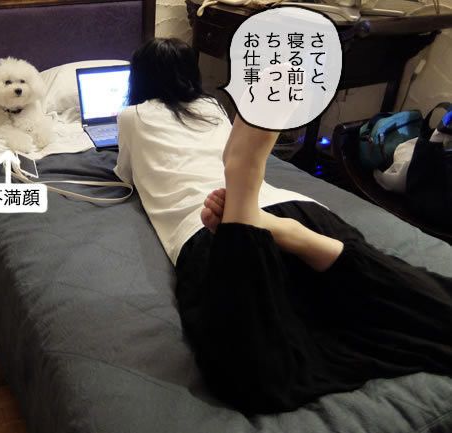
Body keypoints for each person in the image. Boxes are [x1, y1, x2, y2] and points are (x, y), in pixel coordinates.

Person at [115, 37, 452, 414]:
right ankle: (270, 214)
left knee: (252, 373)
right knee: (425, 306)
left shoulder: (131, 116)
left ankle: (244, 196)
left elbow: (126, 175)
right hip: (297, 211)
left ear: (139, 77)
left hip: (209, 227)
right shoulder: (211, 106)